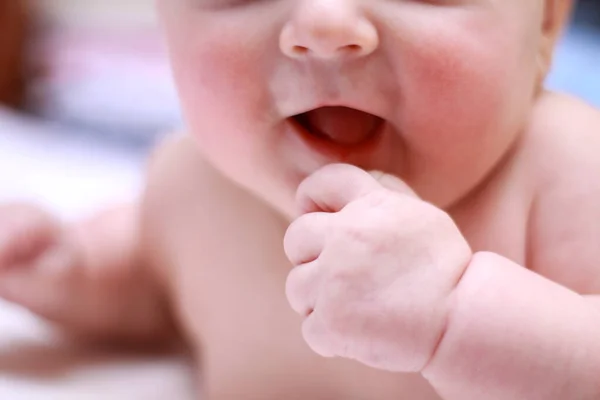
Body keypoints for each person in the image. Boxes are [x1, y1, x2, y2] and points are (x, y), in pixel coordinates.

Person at [1, 0, 599, 398]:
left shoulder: (563, 171)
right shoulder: (193, 182)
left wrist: (458, 314)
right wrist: (73, 271)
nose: (324, 27)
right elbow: (155, 279)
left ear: (544, 23)